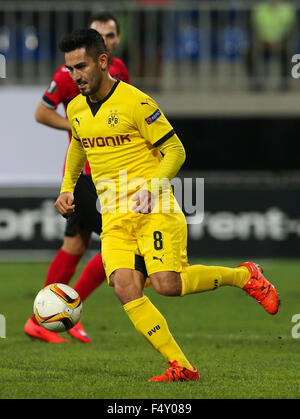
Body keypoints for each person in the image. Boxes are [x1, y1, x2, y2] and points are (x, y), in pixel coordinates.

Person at [55, 28, 279, 381]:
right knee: (125, 287)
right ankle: (182, 366)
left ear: (102, 61)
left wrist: (152, 187)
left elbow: (176, 149)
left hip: (153, 207)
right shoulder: (76, 108)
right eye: (70, 69)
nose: (75, 76)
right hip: (112, 214)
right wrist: (67, 187)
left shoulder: (136, 102)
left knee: (166, 285)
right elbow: (78, 147)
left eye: (80, 66)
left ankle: (244, 276)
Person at [24, 13, 130, 344]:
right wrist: (77, 126)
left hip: (111, 174)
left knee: (76, 244)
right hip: (87, 175)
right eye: (102, 35)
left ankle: (43, 318)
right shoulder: (71, 73)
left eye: (112, 35)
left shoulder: (120, 70)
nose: (108, 40)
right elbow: (42, 112)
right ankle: (56, 314)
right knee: (120, 245)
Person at [247, 0, 296, 90]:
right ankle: (255, 82)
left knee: (289, 50)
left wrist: (280, 42)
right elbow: (254, 29)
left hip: (282, 42)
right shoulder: (259, 9)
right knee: (250, 51)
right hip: (262, 41)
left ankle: (285, 83)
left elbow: (291, 30)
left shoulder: (287, 9)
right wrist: (264, 41)